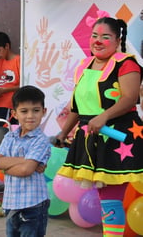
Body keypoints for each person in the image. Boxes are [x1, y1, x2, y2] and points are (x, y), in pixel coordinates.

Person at [55, 13, 143, 236]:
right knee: (107, 198)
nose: (97, 41)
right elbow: (77, 105)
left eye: (105, 37)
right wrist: (63, 132)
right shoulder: (84, 65)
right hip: (91, 137)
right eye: (94, 35)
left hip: (119, 136)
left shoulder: (126, 63)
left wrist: (103, 117)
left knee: (111, 196)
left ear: (116, 40)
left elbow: (130, 98)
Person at [0, 85, 50, 237]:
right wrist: (25, 160)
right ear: (15, 114)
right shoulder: (9, 137)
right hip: (11, 204)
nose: (30, 116)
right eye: (24, 111)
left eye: (36, 110)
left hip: (33, 206)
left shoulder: (41, 140)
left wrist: (8, 166)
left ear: (43, 112)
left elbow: (26, 171)